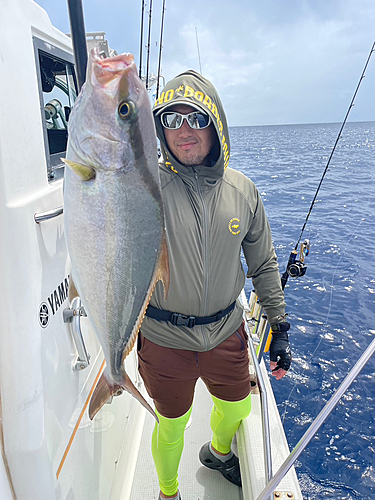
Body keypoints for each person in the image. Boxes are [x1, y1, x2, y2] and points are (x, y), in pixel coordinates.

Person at [138, 70, 292, 500]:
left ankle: (218, 451)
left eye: (195, 118)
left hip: (226, 331)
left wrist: (278, 325)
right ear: (159, 131)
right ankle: (169, 492)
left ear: (215, 123)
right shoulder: (145, 188)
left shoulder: (243, 190)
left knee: (237, 408)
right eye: (170, 120)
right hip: (163, 335)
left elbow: (263, 262)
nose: (183, 131)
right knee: (171, 424)